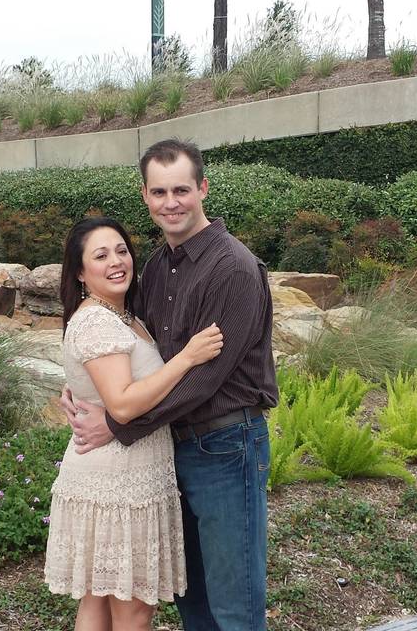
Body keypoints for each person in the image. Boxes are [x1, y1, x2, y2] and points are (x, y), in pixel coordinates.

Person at [65, 138, 279, 631]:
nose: (171, 203)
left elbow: (204, 378)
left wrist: (121, 424)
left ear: (203, 188)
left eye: (181, 189)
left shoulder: (234, 268)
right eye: (159, 192)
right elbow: (132, 352)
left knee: (234, 603)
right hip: (169, 453)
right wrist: (85, 392)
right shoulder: (158, 267)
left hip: (226, 447)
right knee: (192, 600)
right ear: (145, 196)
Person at [44, 216, 225, 631]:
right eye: (101, 255)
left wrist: (78, 388)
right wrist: (188, 357)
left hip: (120, 475)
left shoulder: (122, 316)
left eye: (121, 250)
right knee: (133, 609)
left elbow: (106, 384)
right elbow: (123, 406)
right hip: (119, 483)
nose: (116, 262)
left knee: (100, 601)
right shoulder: (96, 320)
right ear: (80, 272)